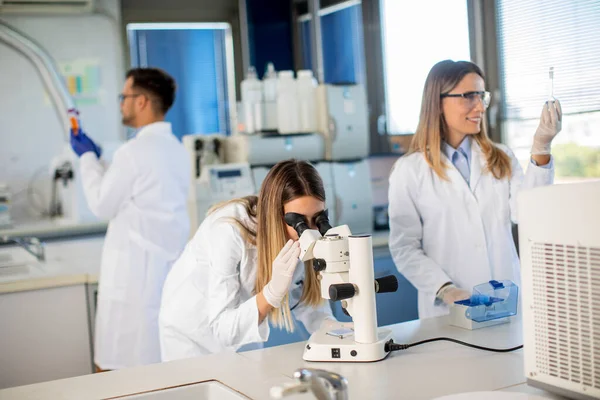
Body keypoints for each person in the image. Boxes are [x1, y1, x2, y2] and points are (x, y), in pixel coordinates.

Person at [388, 60, 562, 319]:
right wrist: (445, 290)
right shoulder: (410, 170)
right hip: (450, 313)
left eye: (482, 96)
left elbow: (530, 214)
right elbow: (404, 248)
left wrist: (541, 147)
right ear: (438, 102)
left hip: (507, 306)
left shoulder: (500, 157)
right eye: (469, 96)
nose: (480, 106)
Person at [70, 68, 191, 370]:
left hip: (132, 277)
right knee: (156, 366)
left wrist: (86, 159)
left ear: (142, 102)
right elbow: (140, 191)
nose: (121, 103)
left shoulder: (134, 152)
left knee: (117, 366)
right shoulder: (176, 149)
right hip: (163, 274)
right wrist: (99, 159)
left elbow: (101, 204)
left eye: (124, 96)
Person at [159, 159, 334, 361]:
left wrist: (333, 328)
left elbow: (309, 303)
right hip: (191, 335)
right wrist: (270, 294)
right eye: (299, 221)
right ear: (275, 216)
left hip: (242, 332)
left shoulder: (302, 233)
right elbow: (223, 330)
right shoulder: (228, 232)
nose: (309, 231)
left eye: (318, 219)